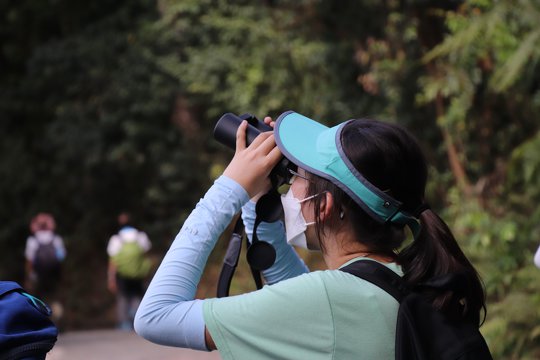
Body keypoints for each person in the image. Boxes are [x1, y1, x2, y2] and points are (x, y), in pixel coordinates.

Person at [134, 112, 486, 359]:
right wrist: (260, 202)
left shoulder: (327, 299)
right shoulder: (409, 278)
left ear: (325, 205)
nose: (290, 188)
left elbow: (155, 317)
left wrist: (229, 189)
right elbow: (303, 300)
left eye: (297, 176)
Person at [107, 212, 152, 331]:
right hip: (139, 274)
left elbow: (113, 262)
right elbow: (146, 256)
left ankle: (124, 323)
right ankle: (137, 321)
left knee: (123, 298)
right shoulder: (141, 236)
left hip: (123, 275)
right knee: (138, 297)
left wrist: (111, 279)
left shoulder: (116, 239)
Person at [25, 212, 66, 321]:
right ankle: (57, 319)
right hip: (54, 273)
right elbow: (61, 257)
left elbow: (30, 260)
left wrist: (30, 275)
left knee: (38, 297)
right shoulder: (56, 239)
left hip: (39, 273)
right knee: (55, 297)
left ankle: (41, 320)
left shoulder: (33, 240)